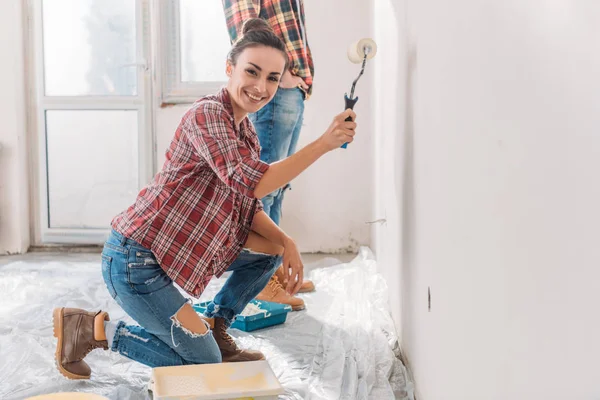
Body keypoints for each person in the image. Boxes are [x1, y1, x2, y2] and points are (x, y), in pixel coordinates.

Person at [51, 18, 357, 380]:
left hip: (166, 251)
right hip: (134, 261)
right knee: (204, 364)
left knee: (270, 252)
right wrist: (323, 144)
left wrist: (285, 242)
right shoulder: (207, 114)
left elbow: (248, 206)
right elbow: (251, 183)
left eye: (272, 78)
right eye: (252, 72)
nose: (261, 87)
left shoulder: (245, 132)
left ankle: (215, 325)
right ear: (230, 68)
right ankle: (92, 330)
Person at [223, 0, 316, 309]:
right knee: (263, 189)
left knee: (278, 188)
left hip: (289, 87)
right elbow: (245, 25)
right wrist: (283, 75)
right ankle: (262, 281)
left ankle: (276, 274)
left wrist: (295, 80)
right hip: (278, 86)